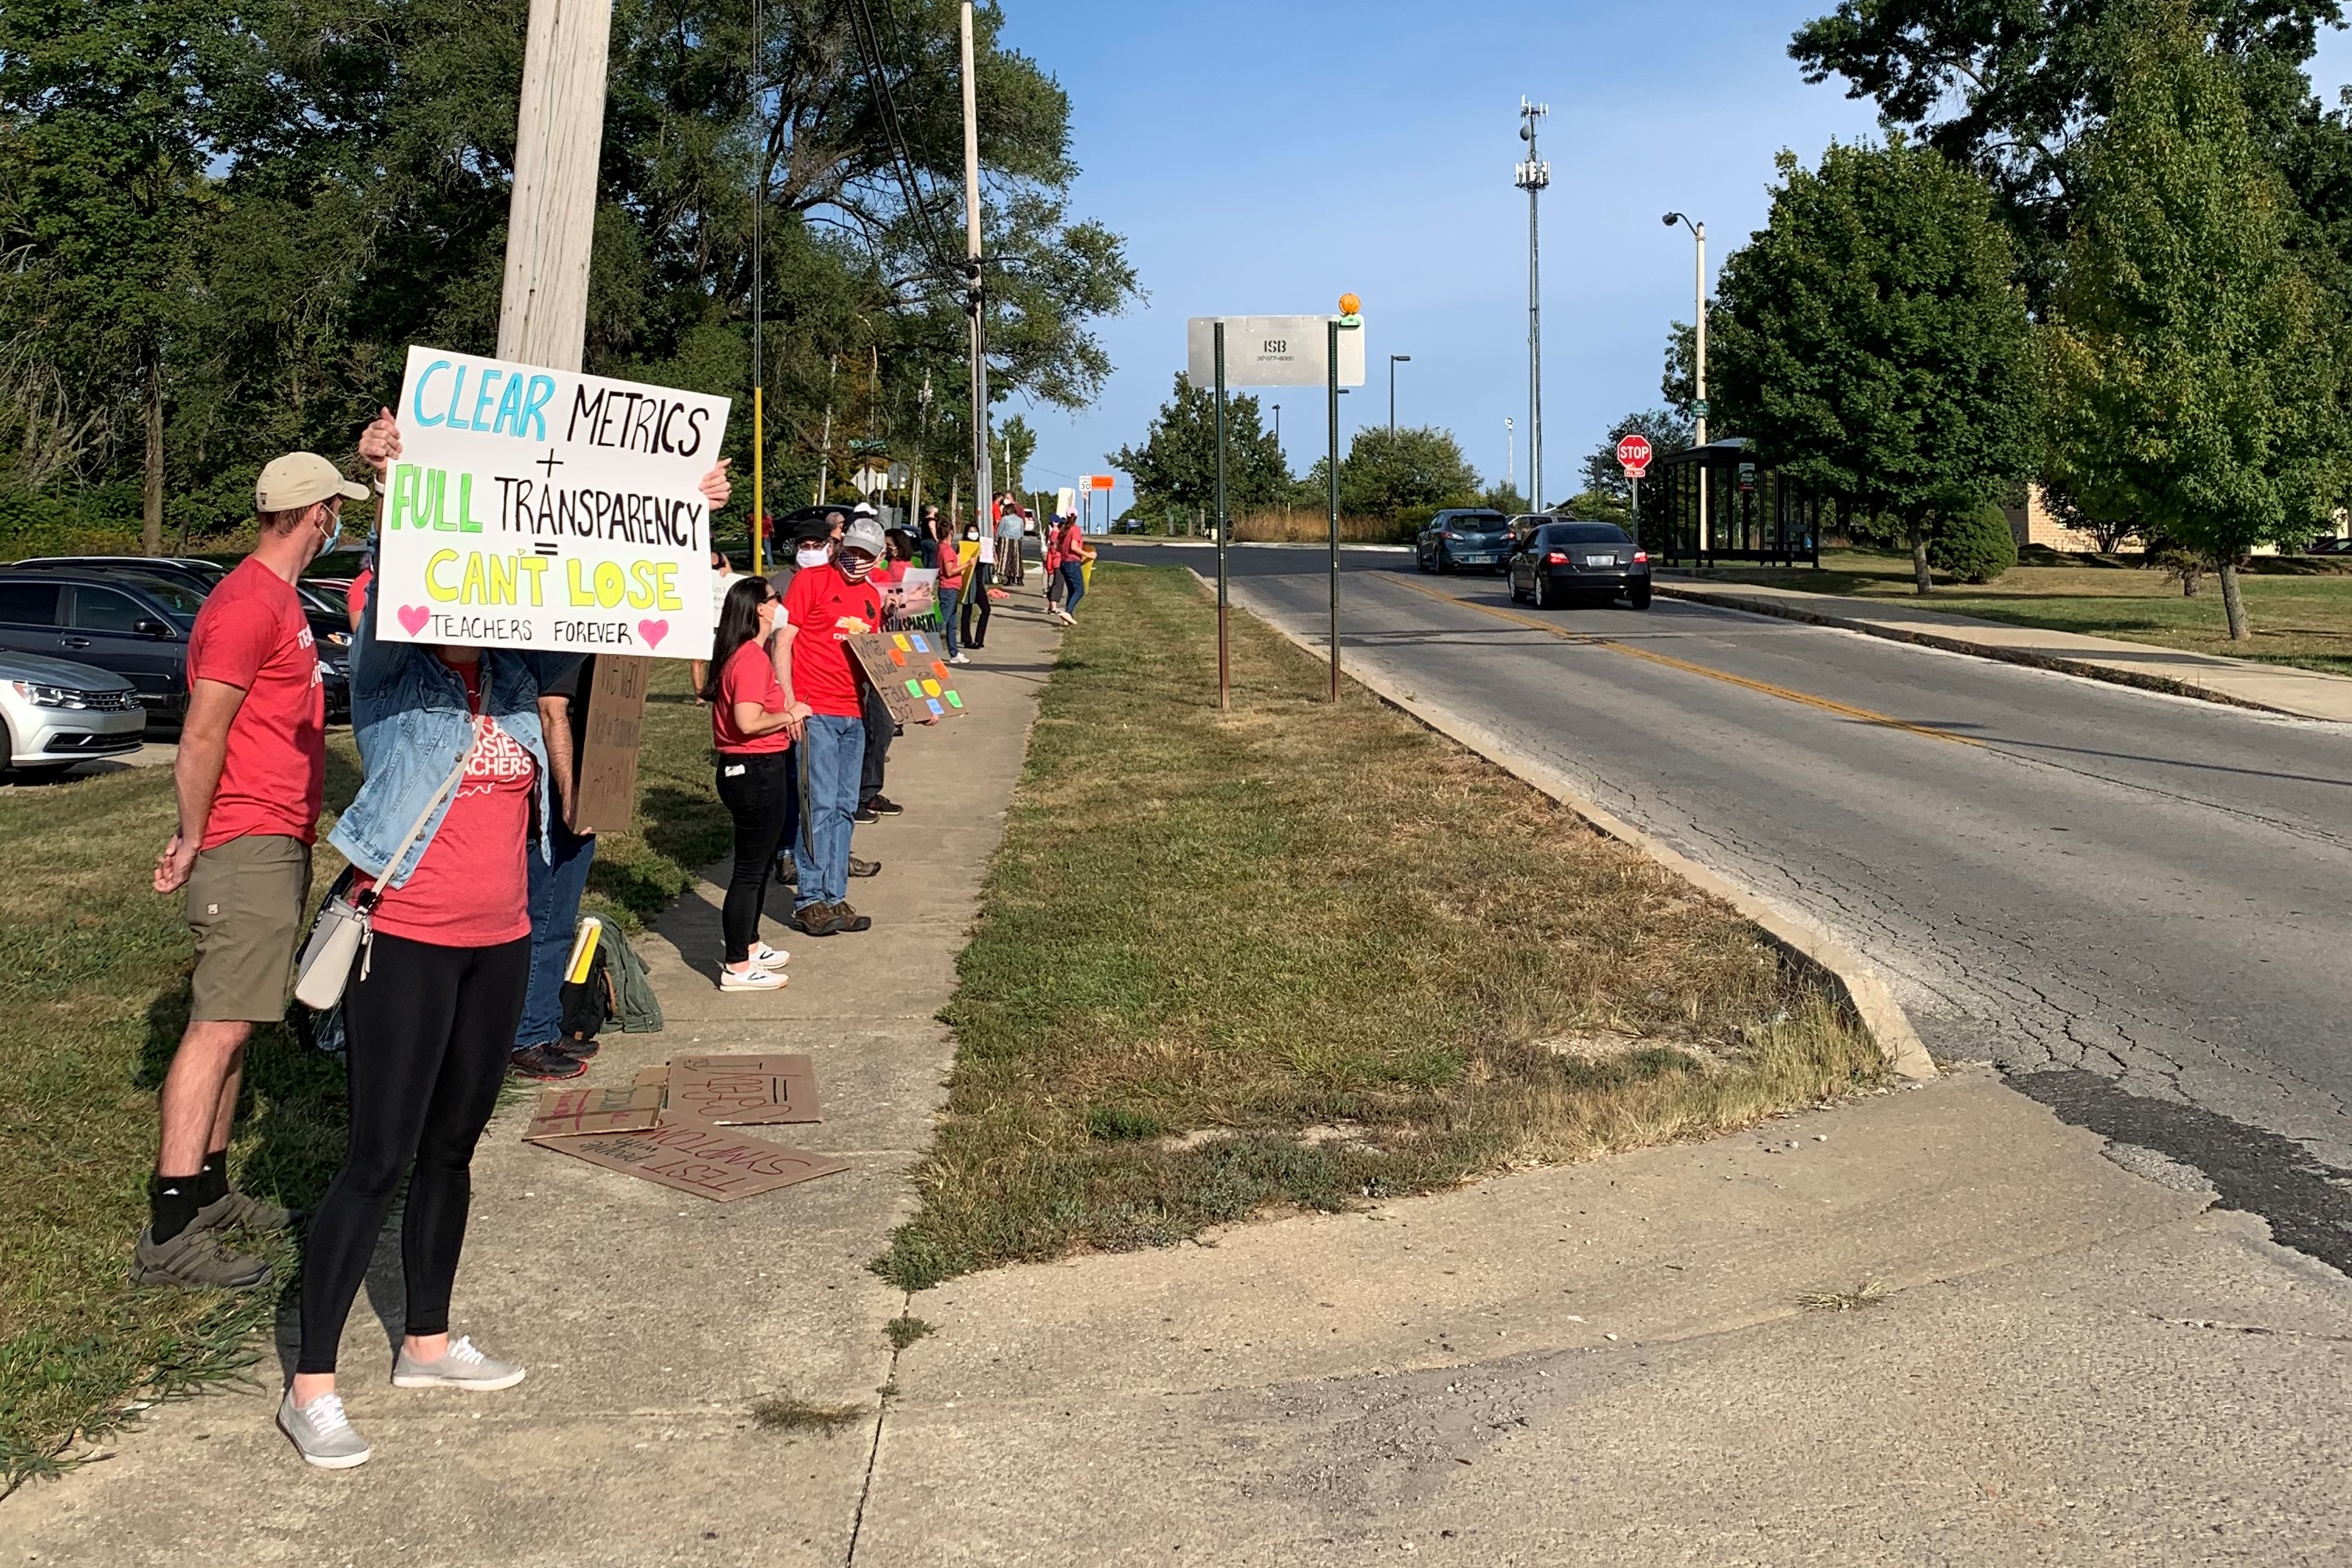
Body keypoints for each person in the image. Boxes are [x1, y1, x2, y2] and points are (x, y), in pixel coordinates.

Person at [276, 411, 724, 1468]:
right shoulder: (395, 676)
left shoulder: (519, 685)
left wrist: (682, 513)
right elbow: (395, 580)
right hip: (410, 939)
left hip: (500, 942)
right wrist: (394, 484)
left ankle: (425, 1341)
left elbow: (618, 582)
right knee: (375, 1159)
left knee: (453, 1149)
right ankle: (313, 1385)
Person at [141, 450, 362, 1290]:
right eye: (336, 508)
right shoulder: (244, 606)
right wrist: (194, 837)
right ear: (314, 516)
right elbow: (202, 734)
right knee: (220, 1026)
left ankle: (210, 1188)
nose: (339, 520)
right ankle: (169, 1230)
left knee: (244, 1021)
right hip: (245, 839)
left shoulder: (277, 600)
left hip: (278, 836)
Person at [782, 517, 889, 936]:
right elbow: (784, 639)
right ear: (838, 545)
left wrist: (917, 700)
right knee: (818, 804)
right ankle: (810, 899)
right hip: (816, 710)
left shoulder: (871, 599)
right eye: (851, 550)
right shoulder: (811, 582)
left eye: (865, 554)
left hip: (853, 714)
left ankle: (833, 893)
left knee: (845, 807)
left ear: (878, 558)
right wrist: (791, 702)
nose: (855, 560)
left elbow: (876, 661)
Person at [704, 576, 803, 991]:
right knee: (747, 871)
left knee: (760, 865)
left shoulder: (748, 654)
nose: (781, 605)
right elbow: (747, 722)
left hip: (759, 768)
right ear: (761, 610)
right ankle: (736, 966)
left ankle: (749, 942)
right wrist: (792, 713)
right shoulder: (750, 659)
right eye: (775, 599)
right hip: (752, 770)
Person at [506, 653, 597, 1080]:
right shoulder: (562, 640)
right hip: (554, 802)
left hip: (570, 795)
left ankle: (542, 1023)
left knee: (558, 917)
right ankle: (526, 1035)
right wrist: (569, 792)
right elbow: (551, 711)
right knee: (545, 916)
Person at [935, 517, 969, 666]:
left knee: (952, 624)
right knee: (941, 623)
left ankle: (954, 652)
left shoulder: (941, 547)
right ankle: (927, 649)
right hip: (949, 589)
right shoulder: (947, 550)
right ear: (951, 532)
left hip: (951, 589)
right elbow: (949, 572)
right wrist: (967, 564)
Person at [958, 517, 993, 651]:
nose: (974, 534)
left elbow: (984, 563)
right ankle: (967, 640)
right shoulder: (963, 547)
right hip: (968, 580)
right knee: (967, 610)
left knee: (986, 609)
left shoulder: (982, 546)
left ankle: (979, 639)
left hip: (978, 582)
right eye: (971, 531)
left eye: (975, 531)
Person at [1054, 512, 1091, 623]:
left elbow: (1056, 545)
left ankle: (1068, 617)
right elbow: (1074, 547)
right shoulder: (1075, 529)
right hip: (1072, 562)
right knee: (1080, 590)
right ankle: (1068, 611)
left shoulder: (1064, 529)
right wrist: (1088, 554)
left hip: (1063, 562)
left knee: (1071, 590)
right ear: (1076, 517)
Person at [995, 492, 1026, 586]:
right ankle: (1019, 578)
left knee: (1007, 559)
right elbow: (1022, 531)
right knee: (1017, 560)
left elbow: (1000, 531)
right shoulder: (1019, 520)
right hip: (1017, 540)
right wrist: (1020, 538)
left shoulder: (1005, 519)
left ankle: (1009, 579)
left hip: (1007, 540)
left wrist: (997, 540)